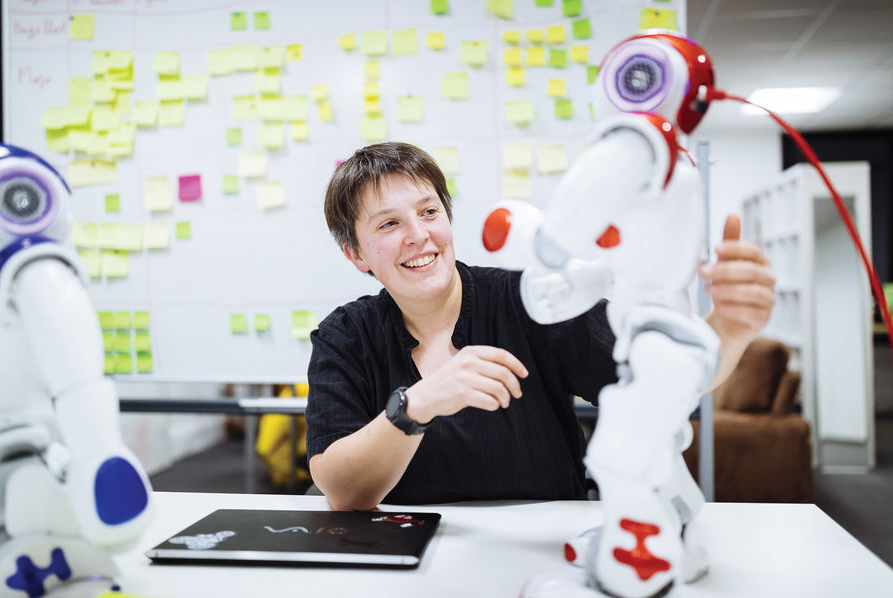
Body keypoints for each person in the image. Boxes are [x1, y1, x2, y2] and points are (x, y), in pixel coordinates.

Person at [306, 142, 775, 511]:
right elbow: (343, 491)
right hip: (412, 558)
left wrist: (729, 328)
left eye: (429, 212)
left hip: (547, 551)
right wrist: (417, 405)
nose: (418, 235)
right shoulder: (346, 336)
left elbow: (659, 379)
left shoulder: (532, 297)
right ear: (356, 254)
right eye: (388, 224)